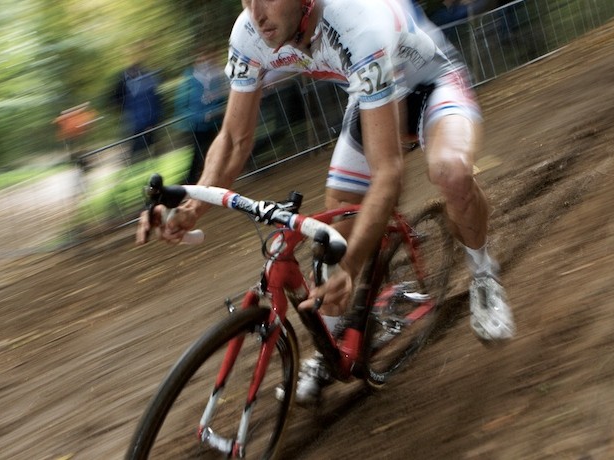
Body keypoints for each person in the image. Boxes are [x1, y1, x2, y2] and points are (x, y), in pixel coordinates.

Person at [137, 0, 515, 403]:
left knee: (450, 174)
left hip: (431, 86)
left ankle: (483, 273)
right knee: (333, 237)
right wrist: (190, 207)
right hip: (371, 97)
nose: (255, 12)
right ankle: (332, 345)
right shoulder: (250, 35)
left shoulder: (358, 23)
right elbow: (232, 141)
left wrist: (351, 267)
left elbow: (388, 174)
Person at [175, 47, 228, 185]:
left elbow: (222, 97)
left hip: (215, 122)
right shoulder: (189, 78)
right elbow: (182, 105)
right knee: (198, 155)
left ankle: (209, 180)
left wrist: (216, 111)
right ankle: (190, 184)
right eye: (202, 59)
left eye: (208, 58)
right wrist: (201, 116)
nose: (205, 62)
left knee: (215, 151)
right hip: (197, 125)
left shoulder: (216, 75)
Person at [110, 42, 164, 165]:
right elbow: (114, 99)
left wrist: (155, 120)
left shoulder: (148, 76)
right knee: (135, 157)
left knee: (151, 156)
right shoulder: (121, 79)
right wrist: (126, 111)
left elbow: (156, 99)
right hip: (132, 124)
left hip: (150, 122)